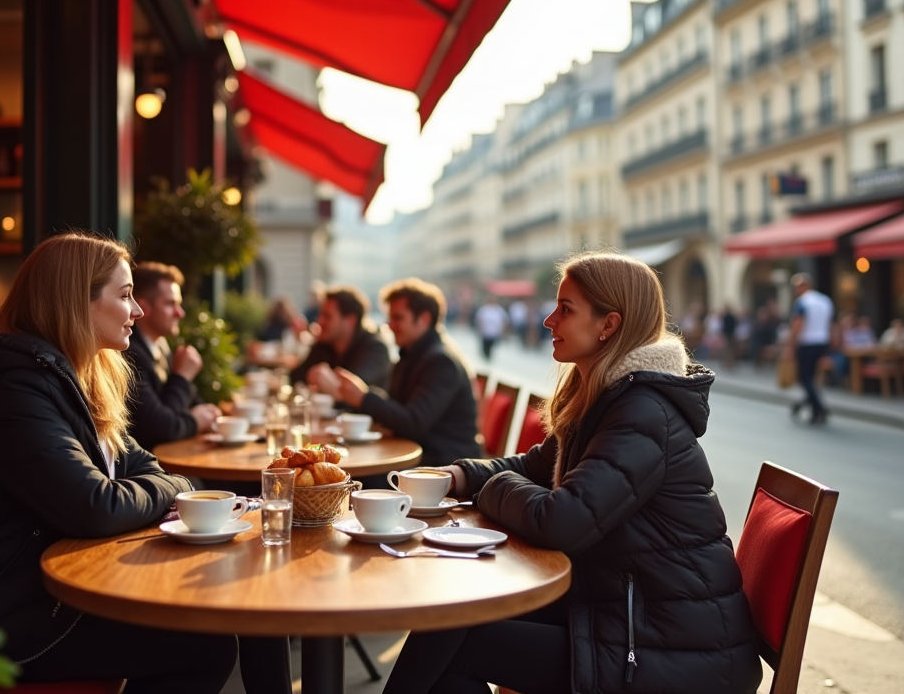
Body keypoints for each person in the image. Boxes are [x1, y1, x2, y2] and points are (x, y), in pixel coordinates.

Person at [383, 251, 761, 694]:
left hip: (676, 650)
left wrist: (494, 487)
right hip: (619, 611)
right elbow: (535, 466)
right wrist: (458, 476)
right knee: (449, 613)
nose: (548, 321)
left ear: (609, 325)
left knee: (458, 644)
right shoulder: (609, 397)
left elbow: (562, 521)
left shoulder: (643, 412)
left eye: (565, 309)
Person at [0, 232, 247, 692]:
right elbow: (96, 505)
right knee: (204, 646)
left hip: (44, 592)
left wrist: (166, 485)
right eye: (125, 295)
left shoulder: (70, 382)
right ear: (77, 303)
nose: (137, 310)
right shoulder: (14, 394)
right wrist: (175, 489)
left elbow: (142, 467)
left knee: (204, 625)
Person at [318, 278, 481, 467]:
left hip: (445, 466)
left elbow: (413, 423)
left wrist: (362, 398)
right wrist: (361, 395)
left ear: (424, 319)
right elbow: (397, 408)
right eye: (390, 318)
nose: (389, 325)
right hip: (415, 454)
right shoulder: (411, 353)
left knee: (346, 475)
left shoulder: (441, 361)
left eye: (398, 317)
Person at [124, 262, 221, 450]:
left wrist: (207, 412)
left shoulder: (160, 345)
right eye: (170, 304)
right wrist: (182, 378)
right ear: (143, 307)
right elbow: (159, 429)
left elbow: (179, 406)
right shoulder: (130, 354)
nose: (180, 313)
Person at [291, 284, 391, 392]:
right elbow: (295, 378)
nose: (320, 321)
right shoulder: (325, 344)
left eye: (327, 316)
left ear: (351, 320)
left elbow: (355, 392)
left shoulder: (375, 348)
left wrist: (329, 383)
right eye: (321, 315)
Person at [787, 272, 834, 424]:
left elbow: (797, 325)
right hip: (822, 342)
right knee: (812, 379)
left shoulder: (803, 302)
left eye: (796, 287)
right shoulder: (825, 301)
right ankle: (813, 409)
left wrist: (790, 345)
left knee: (805, 378)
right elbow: (830, 324)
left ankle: (819, 407)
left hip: (807, 343)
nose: (795, 291)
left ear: (804, 286)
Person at [474, 296, 510, 360]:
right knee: (485, 345)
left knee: (491, 346)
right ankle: (485, 355)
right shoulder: (484, 309)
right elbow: (479, 319)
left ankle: (488, 356)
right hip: (486, 332)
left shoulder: (499, 310)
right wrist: (480, 329)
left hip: (495, 332)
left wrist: (503, 330)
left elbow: (505, 320)